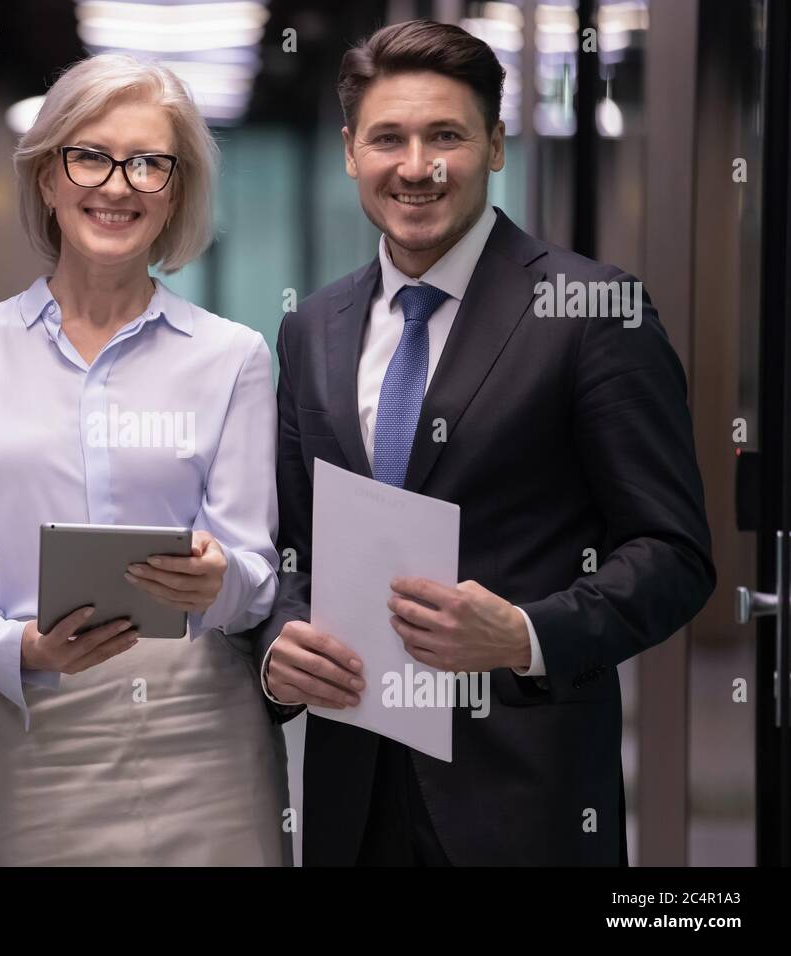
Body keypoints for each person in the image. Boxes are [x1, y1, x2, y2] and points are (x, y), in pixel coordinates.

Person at [253, 19, 715, 865]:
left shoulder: (592, 314)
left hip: (525, 797)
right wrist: (281, 643)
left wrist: (527, 636)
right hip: (352, 789)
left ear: (496, 145)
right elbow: (290, 545)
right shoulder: (311, 328)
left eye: (447, 136)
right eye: (388, 137)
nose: (416, 164)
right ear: (353, 152)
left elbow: (674, 553)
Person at [0, 53, 289, 865]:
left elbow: (256, 572)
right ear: (48, 177)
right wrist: (18, 648)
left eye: (150, 163)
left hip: (203, 732)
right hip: (36, 732)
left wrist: (218, 577)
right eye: (90, 155)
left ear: (176, 193)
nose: (118, 185)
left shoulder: (233, 357)